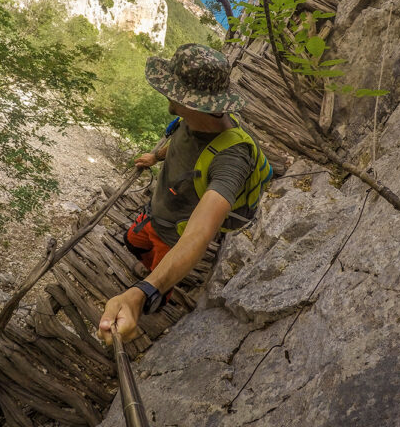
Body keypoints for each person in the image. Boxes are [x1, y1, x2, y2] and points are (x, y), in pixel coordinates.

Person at [98, 44, 271, 345]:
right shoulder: (191, 120)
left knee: (157, 279)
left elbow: (199, 235)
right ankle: (150, 267)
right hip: (156, 213)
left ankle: (158, 292)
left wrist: (142, 293)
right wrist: (157, 157)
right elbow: (182, 143)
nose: (167, 96)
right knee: (131, 240)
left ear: (191, 102)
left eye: (172, 91)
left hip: (173, 235)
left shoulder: (232, 159)